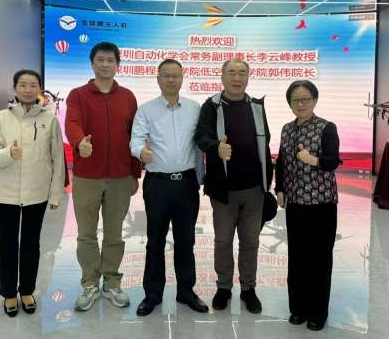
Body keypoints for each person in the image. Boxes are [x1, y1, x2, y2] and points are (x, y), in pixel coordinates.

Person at [65, 42, 142, 312]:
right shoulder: (78, 95)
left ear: (117, 64)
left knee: (114, 233)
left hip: (120, 177)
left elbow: (135, 136)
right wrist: (79, 143)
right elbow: (72, 123)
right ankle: (89, 282)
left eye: (110, 60)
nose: (105, 64)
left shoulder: (128, 97)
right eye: (100, 59)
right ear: (92, 63)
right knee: (86, 234)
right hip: (88, 177)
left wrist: (135, 173)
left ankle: (111, 282)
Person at [130, 59, 208, 316]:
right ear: (158, 78)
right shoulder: (146, 110)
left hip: (186, 183)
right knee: (155, 240)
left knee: (186, 240)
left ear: (182, 78)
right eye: (166, 75)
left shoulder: (195, 108)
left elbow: (201, 142)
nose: (171, 80)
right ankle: (152, 294)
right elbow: (136, 139)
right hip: (158, 184)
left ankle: (186, 292)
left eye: (175, 75)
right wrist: (140, 152)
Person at [194, 59, 272, 314]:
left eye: (242, 73)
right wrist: (216, 147)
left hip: (254, 189)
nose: (237, 78)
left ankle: (248, 288)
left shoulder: (257, 106)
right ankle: (224, 287)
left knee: (251, 241)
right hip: (223, 189)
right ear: (222, 76)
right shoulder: (211, 106)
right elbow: (201, 136)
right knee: (223, 241)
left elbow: (265, 142)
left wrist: (268, 184)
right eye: (231, 73)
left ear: (248, 77)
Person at [0, 69, 65, 317]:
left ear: (39, 89)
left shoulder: (49, 120)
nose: (28, 89)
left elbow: (57, 159)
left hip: (36, 193)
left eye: (33, 85)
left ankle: (27, 290)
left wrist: (55, 194)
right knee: (7, 244)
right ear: (14, 88)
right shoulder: (0, 118)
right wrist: (8, 154)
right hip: (5, 193)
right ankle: (9, 293)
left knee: (31, 243)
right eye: (23, 84)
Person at [274, 80, 340, 332]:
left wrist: (313, 159)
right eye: (295, 100)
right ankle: (298, 309)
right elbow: (281, 162)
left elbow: (332, 160)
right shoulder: (286, 129)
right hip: (295, 204)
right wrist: (280, 188)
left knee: (319, 259)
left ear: (315, 100)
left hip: (321, 204)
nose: (300, 104)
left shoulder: (326, 127)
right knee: (297, 257)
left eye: (305, 99)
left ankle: (318, 312)